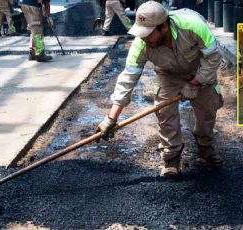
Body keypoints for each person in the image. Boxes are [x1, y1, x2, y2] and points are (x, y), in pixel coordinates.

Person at [95, 0, 224, 176]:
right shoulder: (141, 44)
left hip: (199, 69)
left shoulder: (193, 26)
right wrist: (111, 118)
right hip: (168, 74)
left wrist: (196, 82)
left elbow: (214, 56)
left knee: (208, 111)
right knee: (165, 113)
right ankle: (171, 157)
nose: (144, 39)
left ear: (163, 27)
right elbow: (128, 78)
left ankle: (205, 146)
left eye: (148, 34)